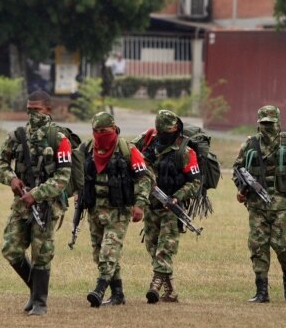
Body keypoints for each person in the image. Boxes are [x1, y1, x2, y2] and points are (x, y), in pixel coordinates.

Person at [0, 90, 72, 316]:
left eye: (36, 110)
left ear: (48, 110)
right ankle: (35, 289)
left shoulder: (59, 138)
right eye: (29, 110)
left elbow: (63, 177)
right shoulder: (17, 136)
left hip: (46, 205)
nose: (32, 115)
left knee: (41, 252)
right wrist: (12, 179)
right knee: (11, 249)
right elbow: (0, 163)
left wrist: (37, 194)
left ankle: (40, 302)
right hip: (22, 203)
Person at [233, 105, 286, 303]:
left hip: (283, 206)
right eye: (263, 124)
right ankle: (261, 290)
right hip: (256, 207)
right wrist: (242, 190)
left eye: (270, 124)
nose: (267, 128)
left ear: (278, 123)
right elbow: (238, 169)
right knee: (258, 247)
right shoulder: (249, 145)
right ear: (258, 124)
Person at [80, 112, 153, 307]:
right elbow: (75, 174)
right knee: (99, 253)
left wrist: (140, 204)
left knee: (109, 250)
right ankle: (118, 293)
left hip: (119, 211)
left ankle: (99, 289)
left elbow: (144, 179)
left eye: (103, 131)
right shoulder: (87, 149)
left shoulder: (128, 150)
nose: (99, 134)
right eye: (95, 131)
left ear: (113, 128)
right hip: (95, 210)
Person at [132, 110, 200, 304]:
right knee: (152, 246)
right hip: (151, 206)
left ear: (176, 129)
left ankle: (155, 285)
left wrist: (177, 197)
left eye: (168, 130)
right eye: (161, 130)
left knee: (165, 248)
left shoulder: (185, 152)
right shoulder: (148, 143)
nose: (164, 134)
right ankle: (170, 292)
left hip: (172, 208)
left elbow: (195, 182)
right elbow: (129, 153)